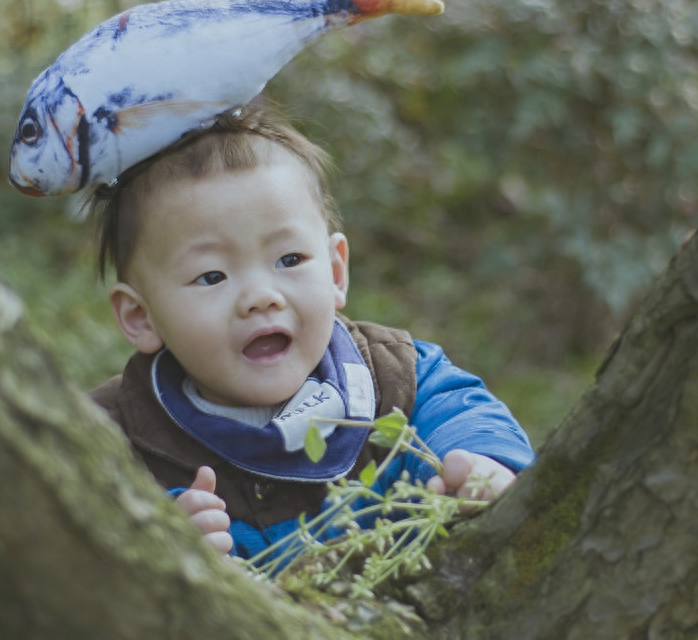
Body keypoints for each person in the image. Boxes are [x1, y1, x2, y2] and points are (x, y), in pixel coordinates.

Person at [88, 106, 534, 558]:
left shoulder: (394, 376)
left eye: (289, 260)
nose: (261, 297)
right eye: (211, 276)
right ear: (140, 316)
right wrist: (151, 534)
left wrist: (485, 463)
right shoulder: (112, 437)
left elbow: (461, 412)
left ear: (336, 272)